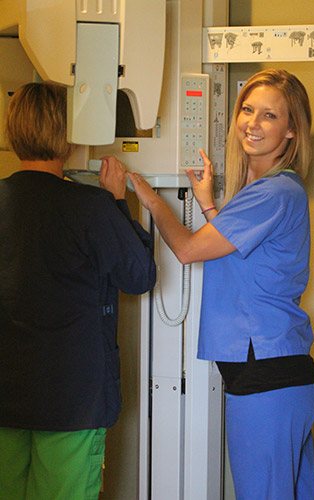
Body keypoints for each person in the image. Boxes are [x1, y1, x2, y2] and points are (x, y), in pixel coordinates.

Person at [128, 68, 314, 499]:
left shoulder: (274, 192)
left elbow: (190, 250)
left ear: (291, 131)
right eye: (247, 110)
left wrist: (151, 198)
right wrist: (209, 204)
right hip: (279, 379)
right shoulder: (271, 192)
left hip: (267, 382)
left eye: (270, 116)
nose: (253, 123)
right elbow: (243, 256)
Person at [0, 82, 156, 499]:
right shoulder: (90, 207)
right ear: (67, 136)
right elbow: (139, 276)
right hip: (71, 401)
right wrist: (118, 201)